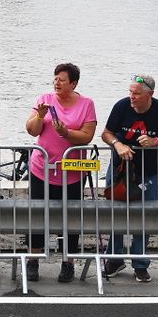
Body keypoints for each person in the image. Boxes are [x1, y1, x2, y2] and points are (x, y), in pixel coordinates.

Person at [100, 74, 158, 283]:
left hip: (148, 172)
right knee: (115, 214)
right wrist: (118, 144)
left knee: (145, 217)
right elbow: (106, 133)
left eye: (136, 93)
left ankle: (140, 263)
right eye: (130, 92)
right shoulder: (121, 106)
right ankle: (114, 259)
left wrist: (156, 141)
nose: (132, 97)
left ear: (150, 94)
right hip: (119, 170)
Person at [25, 63, 98, 283]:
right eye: (55, 78)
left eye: (62, 79)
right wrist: (39, 117)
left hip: (72, 172)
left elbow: (87, 136)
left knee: (71, 217)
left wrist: (65, 132)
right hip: (42, 169)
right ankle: (33, 259)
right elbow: (31, 130)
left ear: (73, 83)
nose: (57, 82)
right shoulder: (44, 98)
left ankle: (68, 262)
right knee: (38, 214)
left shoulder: (87, 104)